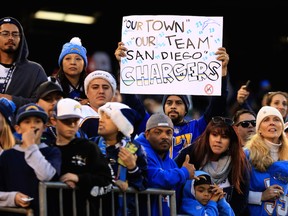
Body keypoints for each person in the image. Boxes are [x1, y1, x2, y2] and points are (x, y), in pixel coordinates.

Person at [115, 42, 231, 159]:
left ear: (186, 108)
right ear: (164, 107)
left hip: (189, 176)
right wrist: (123, 66)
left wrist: (222, 73)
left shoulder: (197, 127)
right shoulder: (150, 125)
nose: (173, 106)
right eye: (169, 103)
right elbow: (132, 101)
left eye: (179, 103)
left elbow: (217, 105)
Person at [174, 116, 250, 216]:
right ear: (208, 136)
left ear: (231, 141)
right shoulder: (192, 153)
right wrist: (183, 173)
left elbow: (241, 201)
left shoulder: (239, 162)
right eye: (214, 135)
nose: (218, 140)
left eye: (224, 137)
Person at [50, 98, 113, 216]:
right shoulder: (49, 149)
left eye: (76, 120)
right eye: (67, 121)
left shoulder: (89, 147)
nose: (73, 125)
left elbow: (107, 181)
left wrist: (79, 179)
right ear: (54, 120)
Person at [0, 103, 61, 216]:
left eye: (37, 121)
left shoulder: (52, 152)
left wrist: (31, 147)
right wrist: (13, 198)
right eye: (27, 122)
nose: (32, 126)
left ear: (44, 127)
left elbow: (46, 176)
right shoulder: (7, 155)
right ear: (18, 129)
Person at [133, 112, 197, 216]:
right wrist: (184, 172)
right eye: (158, 132)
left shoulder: (171, 163)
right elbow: (155, 179)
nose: (164, 137)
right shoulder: (140, 151)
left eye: (169, 133)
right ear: (147, 134)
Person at [93, 101, 148, 215]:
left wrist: (133, 168)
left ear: (120, 125)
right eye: (101, 116)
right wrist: (112, 183)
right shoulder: (91, 144)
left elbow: (144, 184)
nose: (101, 120)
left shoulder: (134, 148)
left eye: (107, 117)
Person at [243, 106, 288, 215]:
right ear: (258, 129)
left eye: (276, 119)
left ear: (282, 127)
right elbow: (235, 194)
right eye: (266, 120)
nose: (272, 123)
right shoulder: (247, 154)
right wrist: (260, 196)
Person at [80, 70, 147, 138]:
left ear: (113, 93)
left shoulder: (122, 113)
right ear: (87, 92)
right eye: (95, 87)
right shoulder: (78, 112)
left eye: (105, 87)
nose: (101, 91)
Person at [0, 17, 48, 108]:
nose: (10, 38)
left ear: (21, 38)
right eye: (5, 34)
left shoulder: (35, 70)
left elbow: (44, 103)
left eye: (15, 34)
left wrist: (11, 99)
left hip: (21, 121)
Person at [49, 37, 88, 105]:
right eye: (68, 58)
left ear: (84, 64)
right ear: (61, 63)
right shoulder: (51, 83)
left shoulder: (92, 84)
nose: (73, 62)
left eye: (78, 59)